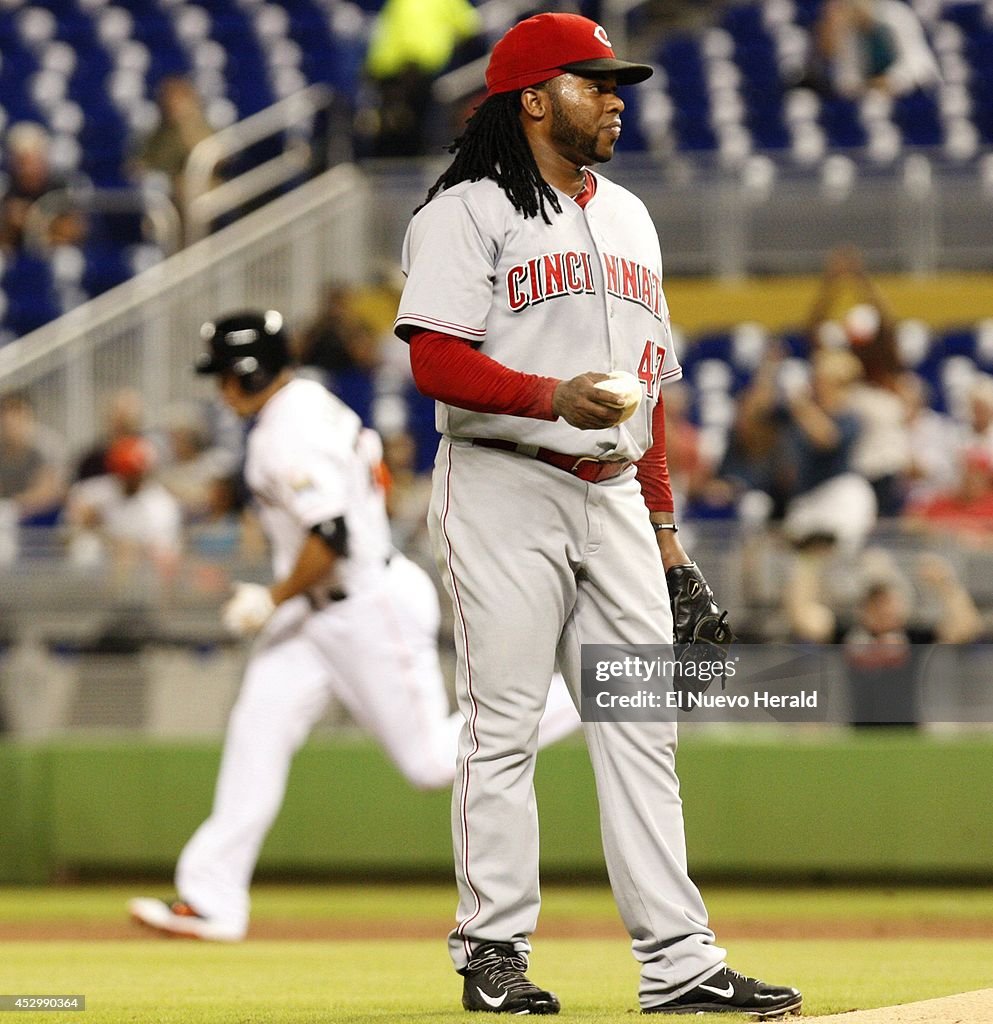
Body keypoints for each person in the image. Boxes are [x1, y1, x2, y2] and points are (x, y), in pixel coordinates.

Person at [393, 13, 801, 1017]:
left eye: (617, 82)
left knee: (641, 725)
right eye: (593, 81)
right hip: (503, 479)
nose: (616, 97)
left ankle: (679, 962)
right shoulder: (465, 209)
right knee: (504, 723)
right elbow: (433, 359)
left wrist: (668, 538)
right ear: (533, 98)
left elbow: (642, 398)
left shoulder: (628, 216)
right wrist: (548, 397)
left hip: (613, 490)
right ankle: (492, 952)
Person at [128, 310, 579, 943]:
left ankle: (584, 691)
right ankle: (212, 899)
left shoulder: (285, 433)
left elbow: (331, 536)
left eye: (225, 376)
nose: (220, 390)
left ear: (249, 372)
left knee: (428, 761)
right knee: (256, 734)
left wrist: (271, 597)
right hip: (319, 611)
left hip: (363, 604)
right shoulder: (312, 401)